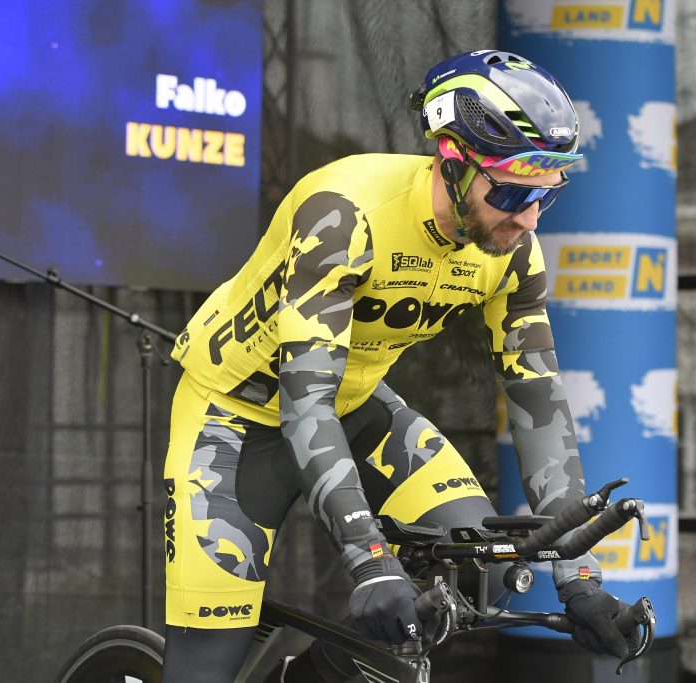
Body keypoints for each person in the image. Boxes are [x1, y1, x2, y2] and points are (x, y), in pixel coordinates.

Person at [161, 49, 636, 682]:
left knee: (482, 568)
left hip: (354, 407)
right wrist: (369, 559)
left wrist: (579, 579)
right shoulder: (344, 213)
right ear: (451, 162)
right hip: (234, 416)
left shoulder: (514, 251)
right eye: (512, 191)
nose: (527, 218)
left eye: (545, 195)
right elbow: (305, 402)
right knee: (204, 666)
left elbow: (538, 398)